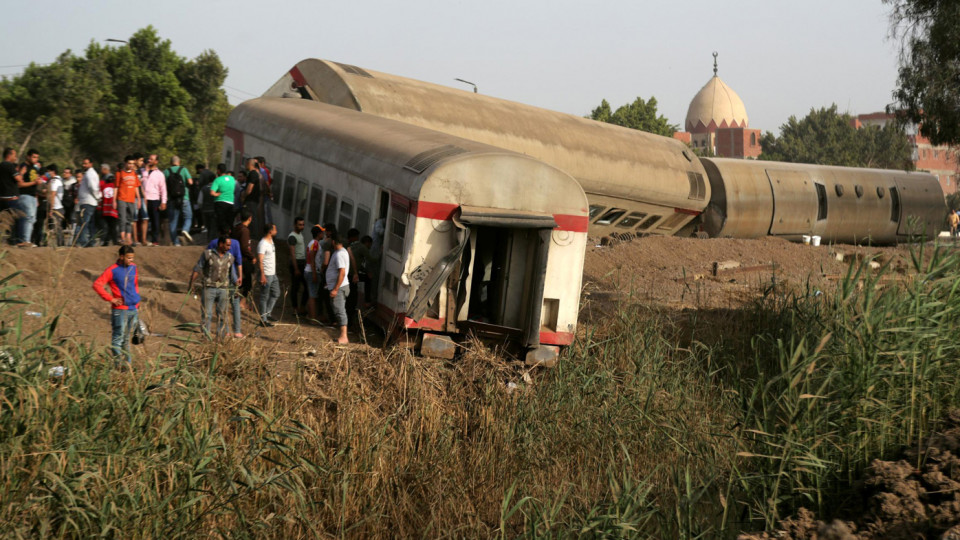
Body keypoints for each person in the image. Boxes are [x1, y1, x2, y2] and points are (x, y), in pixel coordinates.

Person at [92, 245, 141, 367]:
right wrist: (111, 299)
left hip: (133, 309)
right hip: (120, 311)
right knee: (117, 340)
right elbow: (97, 285)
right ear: (121, 257)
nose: (131, 260)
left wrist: (137, 302)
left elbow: (135, 285)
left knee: (126, 340)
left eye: (132, 258)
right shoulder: (112, 270)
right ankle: (119, 366)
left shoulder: (133, 268)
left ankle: (127, 366)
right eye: (129, 258)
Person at [189, 234, 239, 338]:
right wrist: (191, 283)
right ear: (221, 244)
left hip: (223, 289)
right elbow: (198, 268)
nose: (229, 248)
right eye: (227, 245)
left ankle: (221, 337)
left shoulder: (230, 258)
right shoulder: (207, 254)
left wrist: (236, 287)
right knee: (207, 315)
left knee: (222, 315)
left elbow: (232, 274)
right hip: (208, 288)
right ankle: (206, 337)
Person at [208, 229, 244, 337]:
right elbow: (239, 261)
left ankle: (226, 330)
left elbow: (208, 259)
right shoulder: (235, 243)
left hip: (219, 281)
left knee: (223, 306)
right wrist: (240, 277)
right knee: (235, 304)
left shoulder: (213, 242)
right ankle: (237, 331)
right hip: (232, 279)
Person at [326, 232, 351, 344]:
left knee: (340, 310)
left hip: (340, 287)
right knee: (338, 309)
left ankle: (344, 336)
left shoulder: (340, 254)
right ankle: (342, 335)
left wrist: (335, 288)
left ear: (333, 242)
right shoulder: (342, 251)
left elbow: (342, 272)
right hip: (339, 286)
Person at [165, 155, 193, 246]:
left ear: (170, 163)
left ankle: (176, 243)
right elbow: (190, 182)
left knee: (173, 221)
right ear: (179, 162)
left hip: (171, 199)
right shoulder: (184, 170)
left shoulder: (166, 171)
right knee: (188, 216)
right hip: (184, 198)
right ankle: (185, 230)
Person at [231, 209, 256, 309]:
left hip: (236, 258)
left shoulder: (236, 228)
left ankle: (235, 294)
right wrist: (252, 257)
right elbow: (244, 247)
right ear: (250, 219)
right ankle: (242, 302)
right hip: (244, 259)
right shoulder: (245, 230)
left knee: (242, 279)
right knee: (248, 283)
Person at [16, 149, 41, 247]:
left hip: (33, 196)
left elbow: (35, 183)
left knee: (32, 219)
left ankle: (25, 240)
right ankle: (25, 241)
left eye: (37, 157)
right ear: (28, 156)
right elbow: (20, 184)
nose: (36, 159)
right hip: (24, 195)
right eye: (34, 157)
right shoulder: (23, 166)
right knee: (28, 217)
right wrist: (34, 182)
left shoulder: (34, 169)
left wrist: (36, 197)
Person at [115, 156, 142, 246]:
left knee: (130, 219)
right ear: (125, 163)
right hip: (122, 198)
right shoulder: (120, 173)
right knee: (122, 218)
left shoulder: (134, 174)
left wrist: (138, 199)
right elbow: (116, 187)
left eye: (132, 163)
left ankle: (129, 238)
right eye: (129, 163)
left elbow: (136, 187)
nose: (131, 165)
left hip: (131, 199)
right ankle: (122, 238)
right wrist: (114, 200)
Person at [141, 153, 167, 245]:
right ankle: (143, 239)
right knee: (144, 219)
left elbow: (163, 189)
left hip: (155, 199)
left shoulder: (159, 174)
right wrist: (146, 171)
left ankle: (155, 240)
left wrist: (163, 202)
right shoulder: (142, 171)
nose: (149, 161)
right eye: (149, 159)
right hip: (143, 199)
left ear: (156, 161)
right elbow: (141, 182)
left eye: (152, 159)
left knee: (155, 220)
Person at [258, 223, 280, 326]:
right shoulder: (263, 244)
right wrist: (262, 274)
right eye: (275, 229)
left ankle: (267, 313)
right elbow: (260, 260)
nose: (276, 231)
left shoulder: (271, 241)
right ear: (270, 231)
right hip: (266, 273)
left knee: (276, 293)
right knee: (264, 296)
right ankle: (263, 319)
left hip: (272, 273)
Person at [75, 157, 101, 247]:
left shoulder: (90, 174)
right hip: (89, 201)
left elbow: (92, 187)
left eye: (86, 163)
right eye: (83, 163)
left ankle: (83, 242)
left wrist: (97, 197)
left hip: (88, 201)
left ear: (91, 164)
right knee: (89, 223)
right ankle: (91, 242)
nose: (84, 165)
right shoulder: (89, 173)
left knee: (85, 223)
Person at [0, 148, 22, 244]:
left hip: (1, 198)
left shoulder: (0, 165)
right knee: (12, 222)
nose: (15, 157)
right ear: (9, 155)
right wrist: (22, 173)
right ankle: (12, 242)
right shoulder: (10, 165)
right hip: (11, 198)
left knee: (2, 221)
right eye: (14, 155)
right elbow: (18, 178)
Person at [287, 217, 308, 315]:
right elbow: (292, 253)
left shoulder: (300, 235)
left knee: (306, 286)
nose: (302, 226)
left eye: (303, 224)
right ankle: (295, 308)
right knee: (295, 287)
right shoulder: (292, 236)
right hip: (296, 264)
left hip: (302, 263)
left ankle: (302, 307)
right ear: (295, 225)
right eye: (300, 224)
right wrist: (295, 268)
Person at [304, 225, 324, 321]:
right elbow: (312, 258)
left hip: (309, 271)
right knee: (313, 296)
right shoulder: (315, 243)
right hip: (312, 272)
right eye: (322, 233)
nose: (323, 234)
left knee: (312, 294)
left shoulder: (312, 243)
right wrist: (315, 273)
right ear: (319, 234)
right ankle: (313, 317)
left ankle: (309, 314)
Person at [210, 164, 236, 236]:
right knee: (229, 221)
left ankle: (221, 237)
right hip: (230, 202)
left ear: (218, 171)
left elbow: (212, 193)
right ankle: (230, 236)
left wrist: (217, 194)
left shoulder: (217, 180)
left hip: (220, 203)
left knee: (221, 221)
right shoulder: (232, 179)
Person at [44, 164, 65, 246]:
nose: (47, 173)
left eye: (48, 171)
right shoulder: (57, 180)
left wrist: (51, 209)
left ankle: (61, 244)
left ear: (53, 171)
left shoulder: (55, 181)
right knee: (57, 227)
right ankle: (60, 244)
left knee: (57, 227)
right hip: (57, 207)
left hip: (57, 208)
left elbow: (53, 195)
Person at [99, 166, 119, 246]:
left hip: (105, 210)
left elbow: (101, 196)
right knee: (113, 227)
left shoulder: (103, 186)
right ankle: (114, 241)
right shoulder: (114, 187)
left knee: (109, 227)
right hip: (112, 209)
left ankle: (106, 242)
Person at [242, 158, 262, 235]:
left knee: (251, 218)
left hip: (251, 200)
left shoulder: (253, 174)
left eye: (247, 163)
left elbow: (249, 189)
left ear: (250, 164)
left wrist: (243, 196)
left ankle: (253, 235)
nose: (246, 165)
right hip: (252, 200)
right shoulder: (252, 173)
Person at [194, 163, 216, 236]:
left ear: (199, 169)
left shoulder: (202, 174)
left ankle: (206, 229)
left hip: (205, 199)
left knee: (206, 218)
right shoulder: (211, 172)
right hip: (213, 203)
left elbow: (199, 184)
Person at [133, 153, 149, 246]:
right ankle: (135, 240)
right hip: (134, 197)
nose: (142, 163)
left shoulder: (139, 171)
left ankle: (144, 240)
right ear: (135, 160)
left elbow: (140, 185)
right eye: (140, 160)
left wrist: (144, 196)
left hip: (141, 197)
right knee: (134, 219)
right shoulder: (131, 171)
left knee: (145, 218)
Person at [61, 167, 77, 232]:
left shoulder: (74, 181)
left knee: (70, 216)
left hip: (71, 203)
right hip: (63, 202)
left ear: (70, 174)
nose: (65, 174)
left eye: (67, 173)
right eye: (64, 172)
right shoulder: (62, 181)